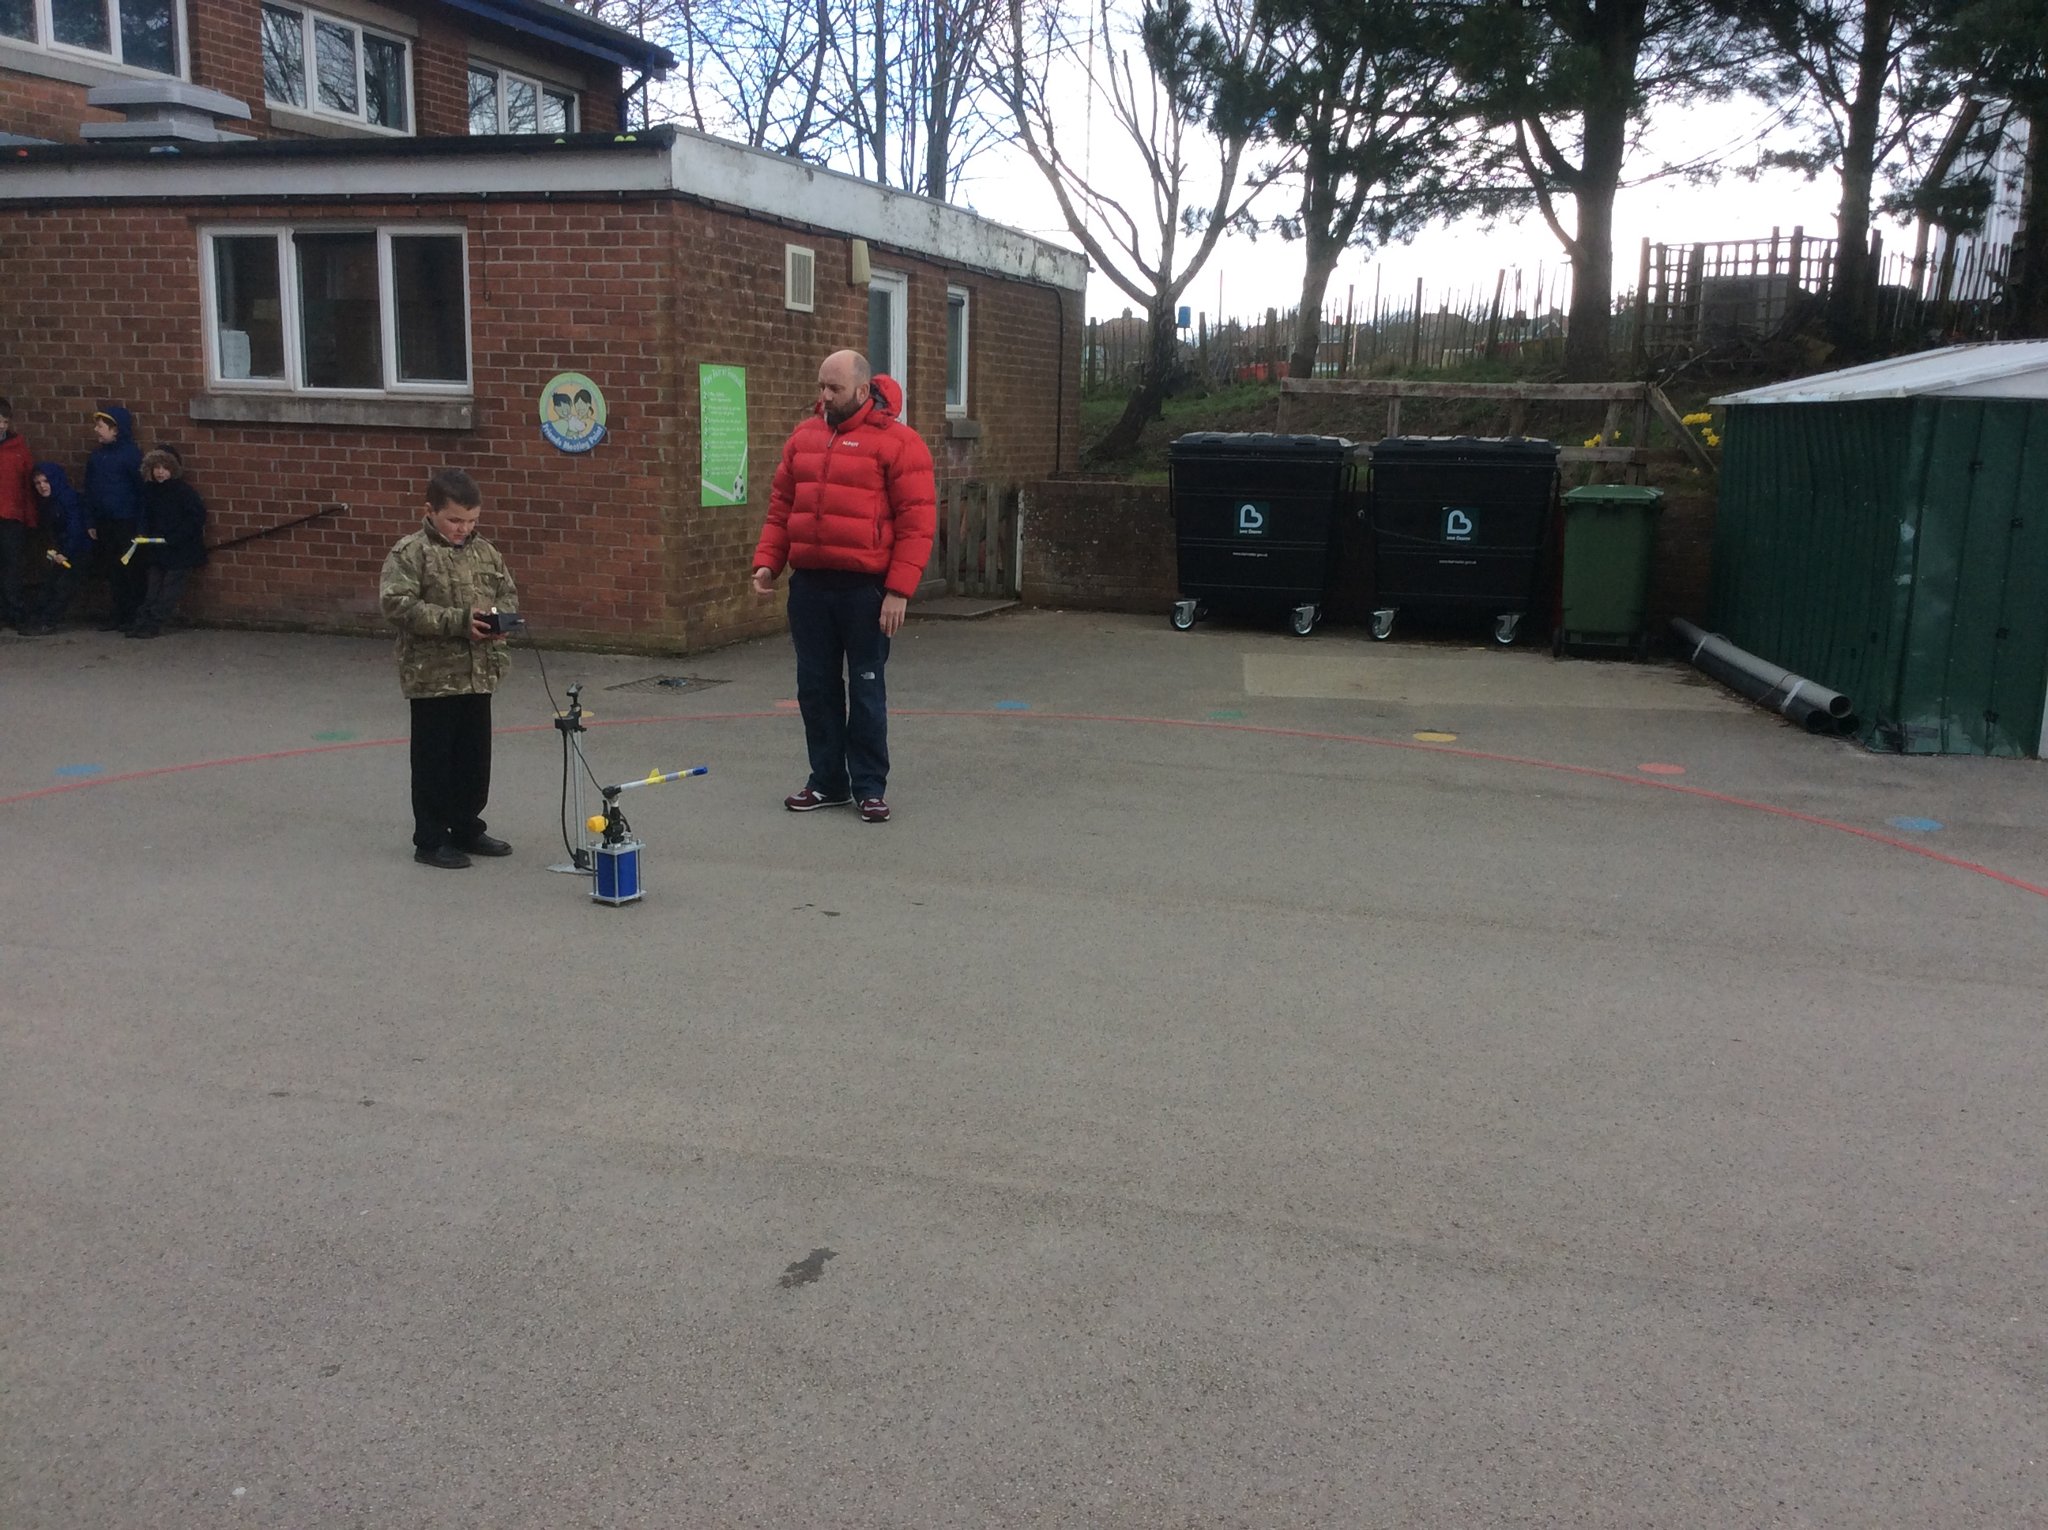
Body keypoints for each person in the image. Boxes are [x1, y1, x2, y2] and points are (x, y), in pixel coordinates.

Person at [750, 349, 936, 824]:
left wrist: (898, 591)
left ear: (861, 389)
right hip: (810, 587)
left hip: (867, 591)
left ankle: (870, 787)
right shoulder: (804, 437)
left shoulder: (900, 443)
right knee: (815, 688)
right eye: (820, 386)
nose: (824, 396)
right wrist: (769, 562)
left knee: (868, 689)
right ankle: (827, 782)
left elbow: (917, 524)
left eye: (833, 388)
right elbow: (781, 506)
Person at [379, 467, 519, 870]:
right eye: (455, 520)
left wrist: (500, 620)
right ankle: (431, 837)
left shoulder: (486, 551)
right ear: (431, 511)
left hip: (479, 673)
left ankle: (466, 826)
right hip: (433, 676)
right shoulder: (410, 553)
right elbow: (397, 606)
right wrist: (458, 621)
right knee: (434, 760)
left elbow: (507, 592)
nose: (463, 528)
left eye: (472, 521)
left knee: (475, 758)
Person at [126, 447, 208, 638]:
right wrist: (142, 533)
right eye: (156, 467)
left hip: (180, 549)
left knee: (170, 588)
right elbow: (145, 516)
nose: (160, 472)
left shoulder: (184, 492)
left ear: (174, 469)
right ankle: (142, 621)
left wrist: (176, 536)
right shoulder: (149, 491)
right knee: (153, 586)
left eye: (165, 467)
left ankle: (155, 622)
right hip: (157, 548)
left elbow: (196, 518)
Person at [82, 405, 144, 631]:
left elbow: (141, 491)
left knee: (131, 569)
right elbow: (89, 489)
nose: (96, 430)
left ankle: (135, 614)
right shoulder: (96, 457)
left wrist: (140, 523)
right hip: (104, 521)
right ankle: (119, 613)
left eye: (101, 426)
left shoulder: (131, 456)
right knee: (112, 570)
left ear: (115, 429)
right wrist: (90, 520)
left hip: (126, 521)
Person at [24, 462, 93, 634]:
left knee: (63, 586)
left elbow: (75, 528)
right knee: (51, 584)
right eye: (38, 483)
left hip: (78, 549)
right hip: (63, 549)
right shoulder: (47, 502)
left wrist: (65, 552)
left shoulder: (67, 499)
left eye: (45, 481)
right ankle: (40, 618)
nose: (42, 486)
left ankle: (48, 621)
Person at [0, 398, 36, 632]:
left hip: (11, 516)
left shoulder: (18, 448)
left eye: (4, 421)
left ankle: (15, 613)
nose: (1, 426)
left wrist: (29, 516)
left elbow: (27, 484)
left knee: (12, 568)